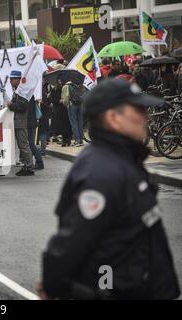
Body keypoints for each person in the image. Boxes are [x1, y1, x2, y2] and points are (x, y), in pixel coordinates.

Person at [40, 79, 180, 300]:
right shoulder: (101, 172)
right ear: (113, 118)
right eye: (138, 110)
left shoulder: (123, 159)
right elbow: (73, 243)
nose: (147, 117)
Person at [7, 70, 35, 176]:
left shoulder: (22, 92)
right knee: (21, 144)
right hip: (17, 121)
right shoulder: (18, 90)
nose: (10, 81)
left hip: (21, 121)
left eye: (12, 79)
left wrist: (10, 105)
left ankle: (28, 166)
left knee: (23, 144)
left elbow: (22, 107)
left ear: (18, 80)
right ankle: (25, 165)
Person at [61, 80, 84, 147]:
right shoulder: (77, 85)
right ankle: (81, 140)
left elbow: (65, 99)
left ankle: (77, 140)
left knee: (74, 123)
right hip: (79, 104)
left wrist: (66, 104)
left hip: (71, 105)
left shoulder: (66, 86)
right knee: (80, 122)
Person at [51, 77, 72, 147]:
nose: (60, 81)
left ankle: (67, 140)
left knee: (66, 125)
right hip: (58, 109)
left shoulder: (65, 87)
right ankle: (64, 140)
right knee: (61, 126)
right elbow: (51, 98)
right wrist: (58, 101)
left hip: (65, 108)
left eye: (61, 80)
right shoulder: (54, 89)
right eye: (59, 80)